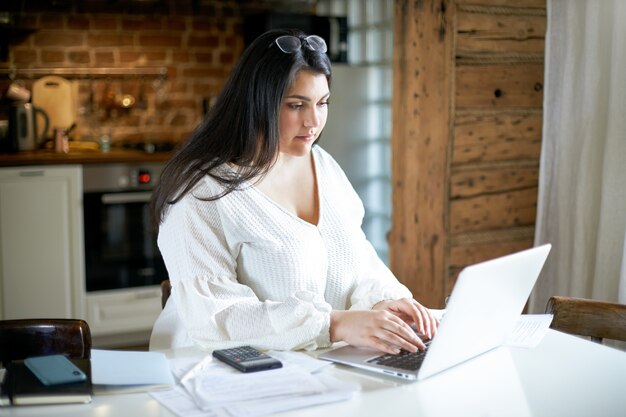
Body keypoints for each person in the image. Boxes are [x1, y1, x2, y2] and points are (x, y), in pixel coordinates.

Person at [149, 28, 438, 355]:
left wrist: (384, 300)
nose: (313, 122)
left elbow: (359, 262)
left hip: (316, 365)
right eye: (296, 105)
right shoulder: (200, 192)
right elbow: (215, 318)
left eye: (322, 102)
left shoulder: (323, 166)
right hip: (214, 373)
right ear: (257, 103)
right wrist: (333, 324)